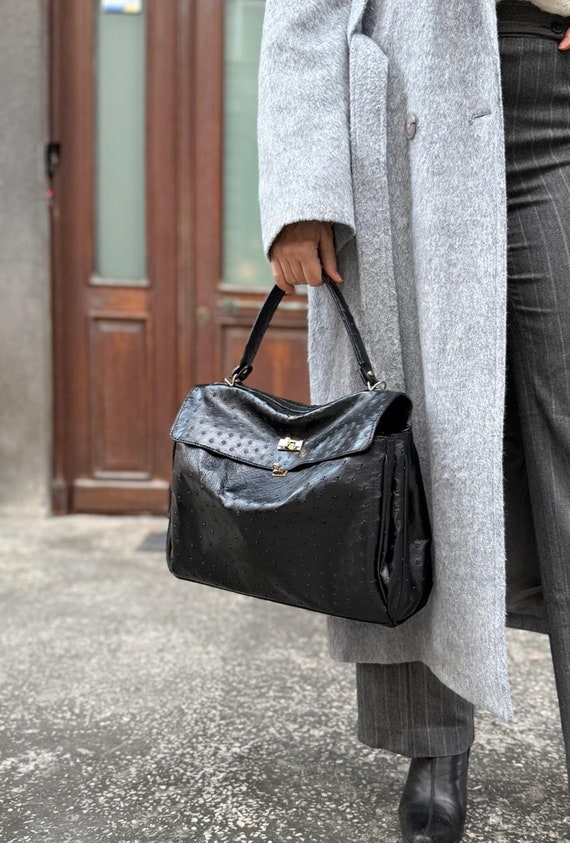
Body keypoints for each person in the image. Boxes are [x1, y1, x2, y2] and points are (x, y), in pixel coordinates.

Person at [257, 1, 570, 840]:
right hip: (407, 114)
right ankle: (431, 744)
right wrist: (302, 187)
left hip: (553, 93)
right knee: (410, 451)